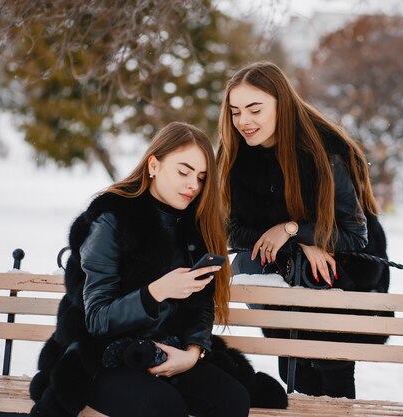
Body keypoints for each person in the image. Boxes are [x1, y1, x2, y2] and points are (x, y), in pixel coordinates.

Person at [29, 122, 250, 417]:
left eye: (200, 177)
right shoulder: (113, 219)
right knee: (163, 406)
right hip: (102, 357)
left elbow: (201, 306)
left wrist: (192, 353)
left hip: (164, 351)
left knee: (232, 400)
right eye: (183, 172)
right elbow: (97, 319)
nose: (193, 186)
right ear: (154, 165)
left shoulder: (194, 227)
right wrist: (157, 291)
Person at [216, 61, 392, 399]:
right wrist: (297, 244)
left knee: (331, 372)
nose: (244, 121)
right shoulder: (236, 153)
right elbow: (234, 230)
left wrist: (294, 229)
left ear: (282, 105)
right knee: (295, 375)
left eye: (255, 109)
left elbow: (356, 237)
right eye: (236, 111)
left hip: (346, 277)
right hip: (284, 277)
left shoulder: (324, 152)